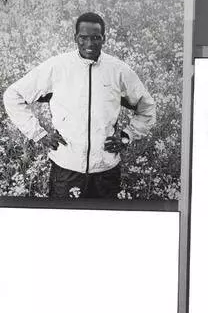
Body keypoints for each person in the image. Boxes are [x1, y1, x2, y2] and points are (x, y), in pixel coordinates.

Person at [3, 12, 156, 199]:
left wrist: (127, 136)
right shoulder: (57, 66)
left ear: (104, 38)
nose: (89, 44)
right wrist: (39, 134)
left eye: (96, 38)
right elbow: (13, 95)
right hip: (66, 171)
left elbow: (147, 107)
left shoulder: (118, 70)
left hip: (106, 172)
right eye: (83, 38)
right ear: (75, 37)